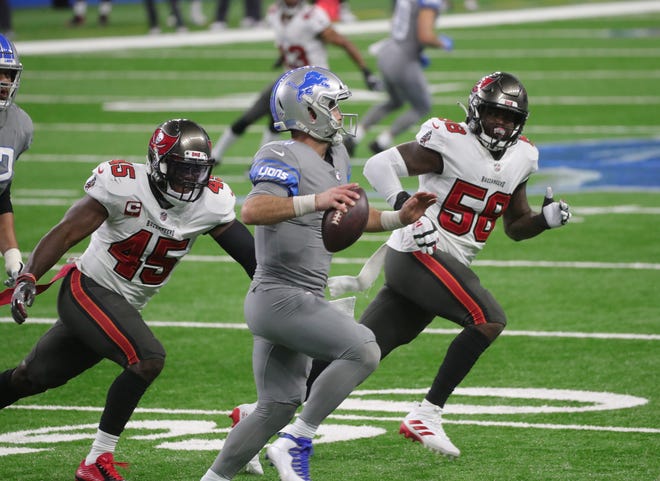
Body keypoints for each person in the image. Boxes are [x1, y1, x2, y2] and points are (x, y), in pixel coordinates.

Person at [307, 71, 572, 459]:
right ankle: (426, 414)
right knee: (488, 318)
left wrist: (543, 221)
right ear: (477, 111)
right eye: (496, 114)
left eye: (511, 119)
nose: (503, 125)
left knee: (359, 351)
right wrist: (405, 208)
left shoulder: (523, 157)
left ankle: (263, 414)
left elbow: (514, 226)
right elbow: (378, 165)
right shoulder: (449, 140)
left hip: (439, 266)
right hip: (418, 253)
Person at [199, 65, 436, 481]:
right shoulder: (279, 153)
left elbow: (350, 214)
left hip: (301, 297)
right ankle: (298, 440)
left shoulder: (338, 154)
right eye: (332, 106)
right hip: (278, 295)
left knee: (276, 405)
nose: (340, 115)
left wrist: (400, 217)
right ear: (307, 111)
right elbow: (253, 210)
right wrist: (316, 199)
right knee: (363, 348)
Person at [1, 119, 256, 481]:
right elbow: (68, 230)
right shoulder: (122, 183)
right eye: (181, 170)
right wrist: (29, 274)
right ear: (157, 163)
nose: (190, 180)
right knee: (147, 359)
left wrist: (280, 286)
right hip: (86, 290)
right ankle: (96, 460)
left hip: (120, 307)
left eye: (197, 171)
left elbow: (251, 257)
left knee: (31, 378)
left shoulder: (212, 203)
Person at [210, 0, 381, 162]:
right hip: (289, 80)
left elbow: (343, 42)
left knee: (313, 133)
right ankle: (218, 157)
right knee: (251, 117)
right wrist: (284, 57)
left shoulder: (312, 16)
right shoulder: (275, 13)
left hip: (313, 86)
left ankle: (268, 162)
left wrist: (365, 71)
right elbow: (290, 43)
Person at [344, 0, 453, 157]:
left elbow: (396, 22)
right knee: (422, 106)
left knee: (394, 101)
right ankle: (382, 141)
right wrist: (442, 43)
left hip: (388, 51)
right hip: (404, 59)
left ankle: (355, 136)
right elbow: (425, 36)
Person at [0, 35, 33, 287]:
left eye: (9, 74)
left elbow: (1, 195)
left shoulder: (19, 125)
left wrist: (14, 262)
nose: (5, 81)